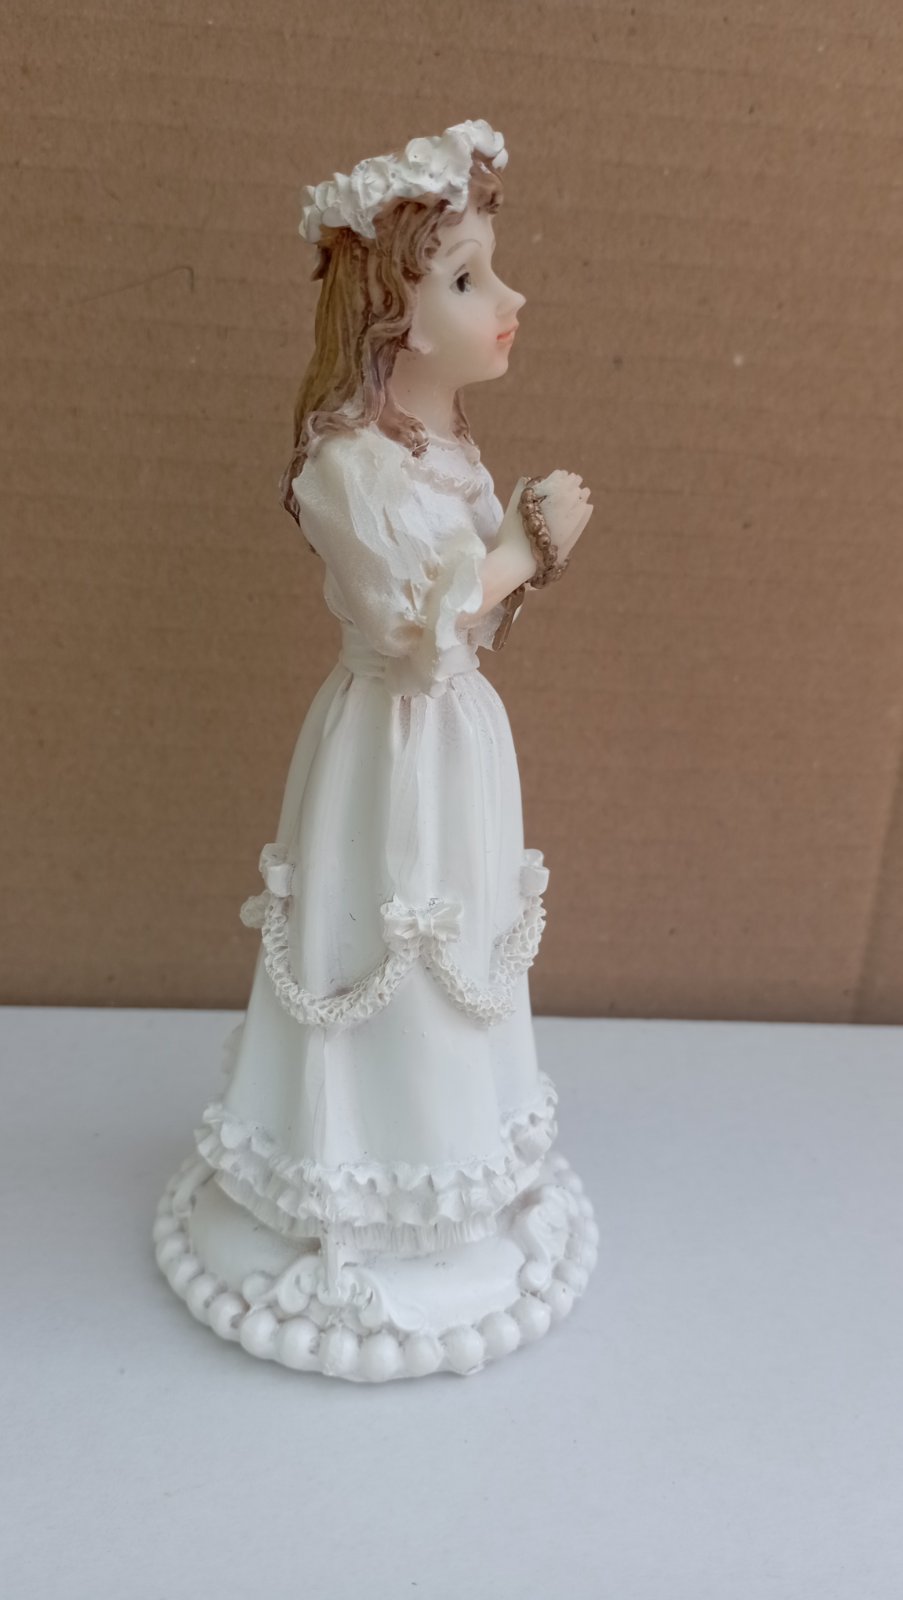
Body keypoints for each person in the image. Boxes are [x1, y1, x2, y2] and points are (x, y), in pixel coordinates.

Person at [156, 120, 596, 1380]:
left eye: (492, 268)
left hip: (458, 742)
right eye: (466, 278)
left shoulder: (447, 447)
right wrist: (522, 548)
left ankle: (454, 1166)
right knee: (381, 933)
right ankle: (355, 1182)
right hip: (389, 751)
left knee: (460, 943)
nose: (508, 300)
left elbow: (474, 627)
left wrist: (519, 563)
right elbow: (416, 631)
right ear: (393, 315)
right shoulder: (347, 469)